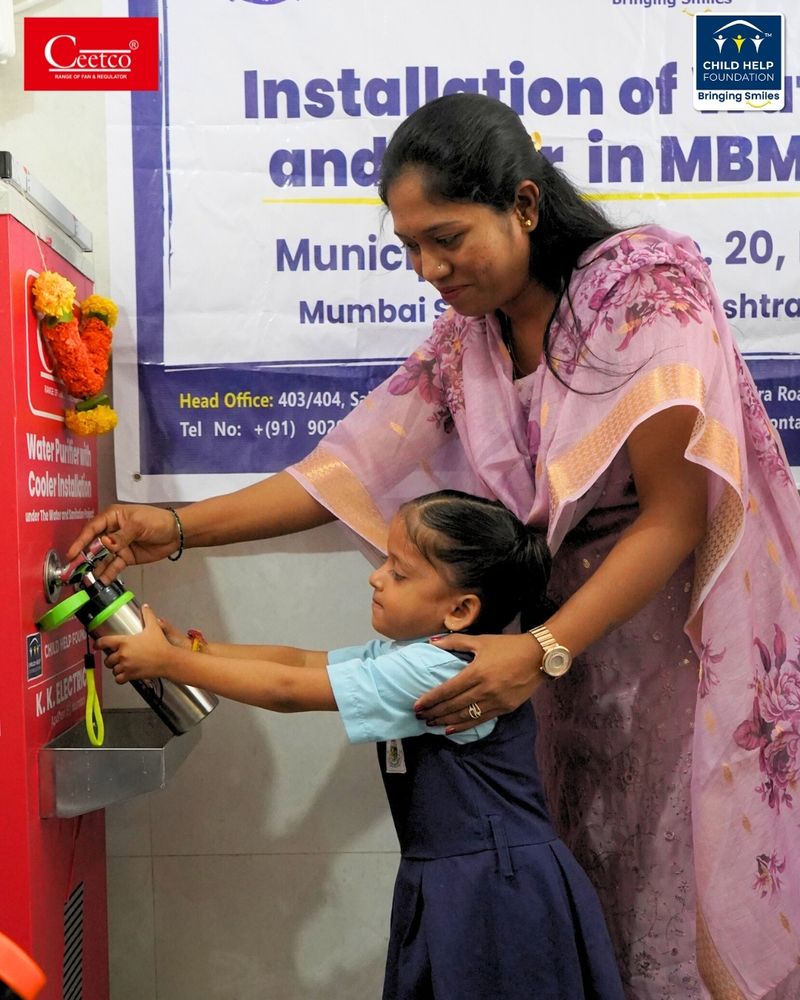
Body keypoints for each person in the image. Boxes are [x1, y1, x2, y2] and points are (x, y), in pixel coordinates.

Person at [70, 93, 800, 999]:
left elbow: (673, 519)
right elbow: (341, 471)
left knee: (669, 893)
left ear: (524, 206)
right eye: (410, 246)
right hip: (543, 671)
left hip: (663, 664)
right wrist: (172, 529)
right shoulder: (469, 341)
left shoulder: (646, 291)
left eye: (447, 237)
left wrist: (543, 647)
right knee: (580, 911)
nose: (428, 268)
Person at [96, 490, 625, 1000]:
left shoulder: (435, 667)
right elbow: (299, 662)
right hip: (457, 874)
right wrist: (198, 651)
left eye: (398, 572)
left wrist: (172, 665)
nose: (376, 577)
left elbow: (288, 692)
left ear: (461, 610)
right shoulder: (417, 652)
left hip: (493, 886)